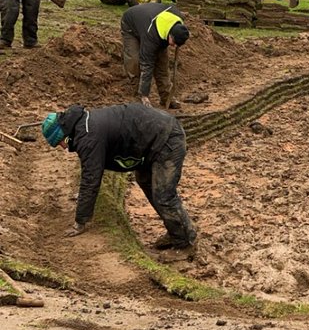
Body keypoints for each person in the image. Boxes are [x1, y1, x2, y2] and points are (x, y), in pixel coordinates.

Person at [41, 102, 197, 249]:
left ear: (64, 133)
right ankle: (176, 232)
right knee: (145, 180)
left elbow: (90, 179)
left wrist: (80, 222)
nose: (62, 147)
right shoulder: (84, 125)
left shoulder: (88, 137)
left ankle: (185, 241)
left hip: (167, 139)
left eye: (59, 141)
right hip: (150, 139)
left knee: (164, 195)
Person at [120, 2, 190, 108]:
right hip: (131, 26)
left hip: (149, 22)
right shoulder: (151, 36)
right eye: (173, 43)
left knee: (162, 64)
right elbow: (147, 64)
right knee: (134, 61)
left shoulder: (178, 21)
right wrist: (145, 94)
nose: (173, 46)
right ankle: (139, 97)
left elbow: (161, 67)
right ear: (170, 35)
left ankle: (167, 98)